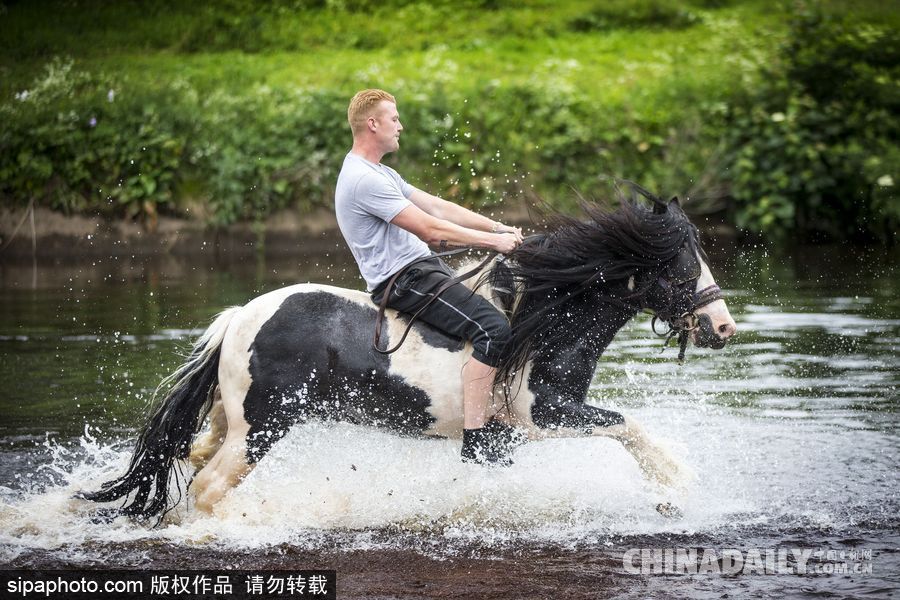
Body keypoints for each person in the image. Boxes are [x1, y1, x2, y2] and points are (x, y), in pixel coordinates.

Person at [334, 89, 523, 465]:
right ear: (373, 124)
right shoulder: (362, 179)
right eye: (394, 118)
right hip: (406, 281)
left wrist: (497, 225)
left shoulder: (381, 172)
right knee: (494, 329)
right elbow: (430, 229)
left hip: (422, 271)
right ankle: (477, 440)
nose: (400, 125)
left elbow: (438, 206)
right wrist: (494, 242)